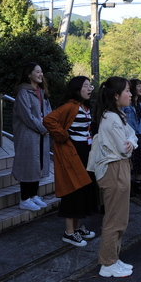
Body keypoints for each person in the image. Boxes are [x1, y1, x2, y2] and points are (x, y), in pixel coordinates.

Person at [87, 77, 137, 278]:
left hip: (118, 168)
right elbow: (125, 149)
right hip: (114, 168)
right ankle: (107, 263)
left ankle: (113, 258)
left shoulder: (116, 115)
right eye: (127, 91)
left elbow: (132, 137)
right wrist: (131, 143)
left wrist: (132, 142)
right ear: (116, 95)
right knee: (115, 219)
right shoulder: (111, 118)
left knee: (119, 217)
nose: (131, 94)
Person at [43, 76, 98, 248]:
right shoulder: (70, 106)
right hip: (72, 153)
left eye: (90, 86)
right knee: (72, 189)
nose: (90, 89)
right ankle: (69, 232)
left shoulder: (85, 107)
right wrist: (64, 135)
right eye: (86, 86)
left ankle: (77, 227)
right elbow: (48, 120)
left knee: (83, 189)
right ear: (77, 88)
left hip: (85, 153)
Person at [12, 63, 52, 212]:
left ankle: (34, 195)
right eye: (37, 72)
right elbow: (26, 116)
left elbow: (48, 111)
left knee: (38, 163)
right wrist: (43, 128)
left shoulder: (41, 92)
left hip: (41, 133)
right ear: (29, 74)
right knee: (27, 164)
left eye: (42, 72)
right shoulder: (23, 92)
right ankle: (25, 198)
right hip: (28, 134)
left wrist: (48, 125)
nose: (41, 74)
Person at [123, 78, 141, 195]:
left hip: (139, 135)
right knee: (129, 163)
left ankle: (138, 184)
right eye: (139, 86)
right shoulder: (126, 104)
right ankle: (129, 187)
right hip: (128, 136)